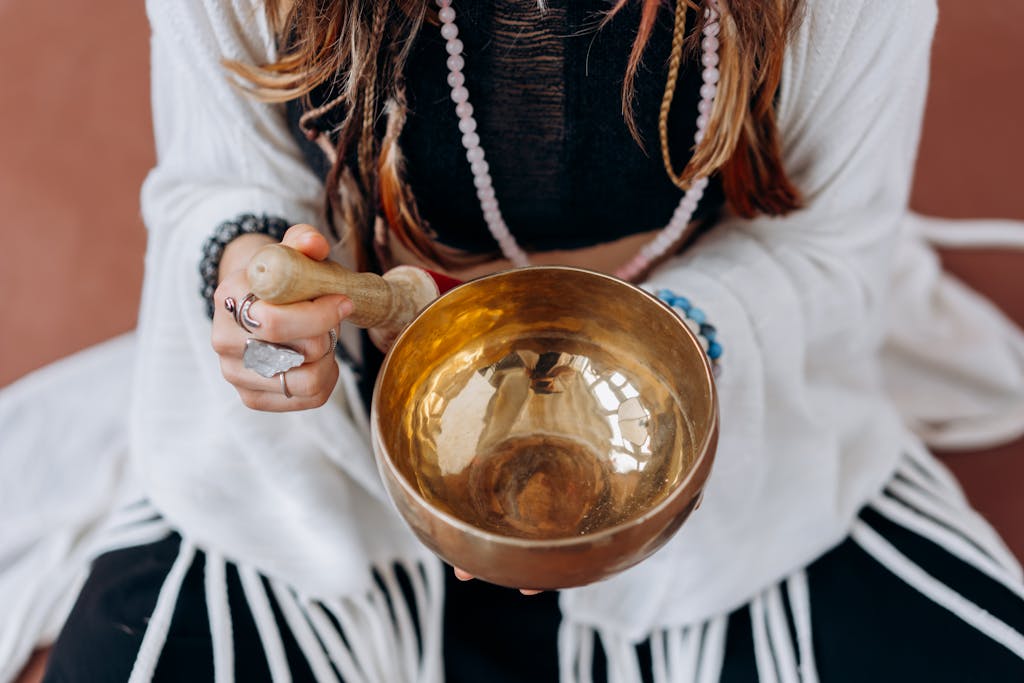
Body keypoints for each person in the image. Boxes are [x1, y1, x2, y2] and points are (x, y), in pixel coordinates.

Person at [3, 0, 1024, 680]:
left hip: (724, 397)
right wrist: (241, 282)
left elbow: (834, 246)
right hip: (328, 452)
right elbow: (215, 181)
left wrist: (666, 346)